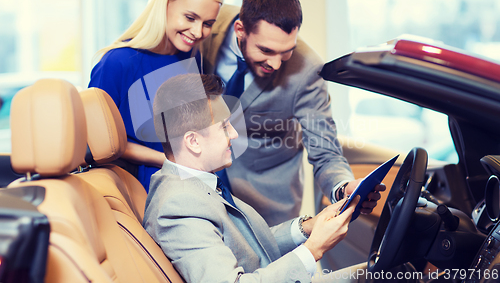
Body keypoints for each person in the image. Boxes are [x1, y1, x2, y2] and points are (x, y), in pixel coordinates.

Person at [144, 73, 371, 283]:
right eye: (224, 126)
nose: (233, 133)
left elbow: (246, 245)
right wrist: (314, 249)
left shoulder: (194, 182)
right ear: (193, 141)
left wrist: (309, 227)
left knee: (383, 272)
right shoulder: (179, 206)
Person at [201, 0, 385, 227]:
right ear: (240, 30)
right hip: (201, 186)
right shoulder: (207, 24)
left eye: (286, 52)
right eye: (266, 50)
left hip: (268, 204)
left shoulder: (308, 72)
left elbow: (325, 149)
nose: (276, 64)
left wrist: (343, 187)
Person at [88, 0, 223, 191]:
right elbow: (97, 143)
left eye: (207, 23)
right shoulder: (117, 62)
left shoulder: (192, 57)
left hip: (187, 184)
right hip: (137, 189)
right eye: (190, 17)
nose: (198, 32)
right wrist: (168, 160)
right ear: (165, 4)